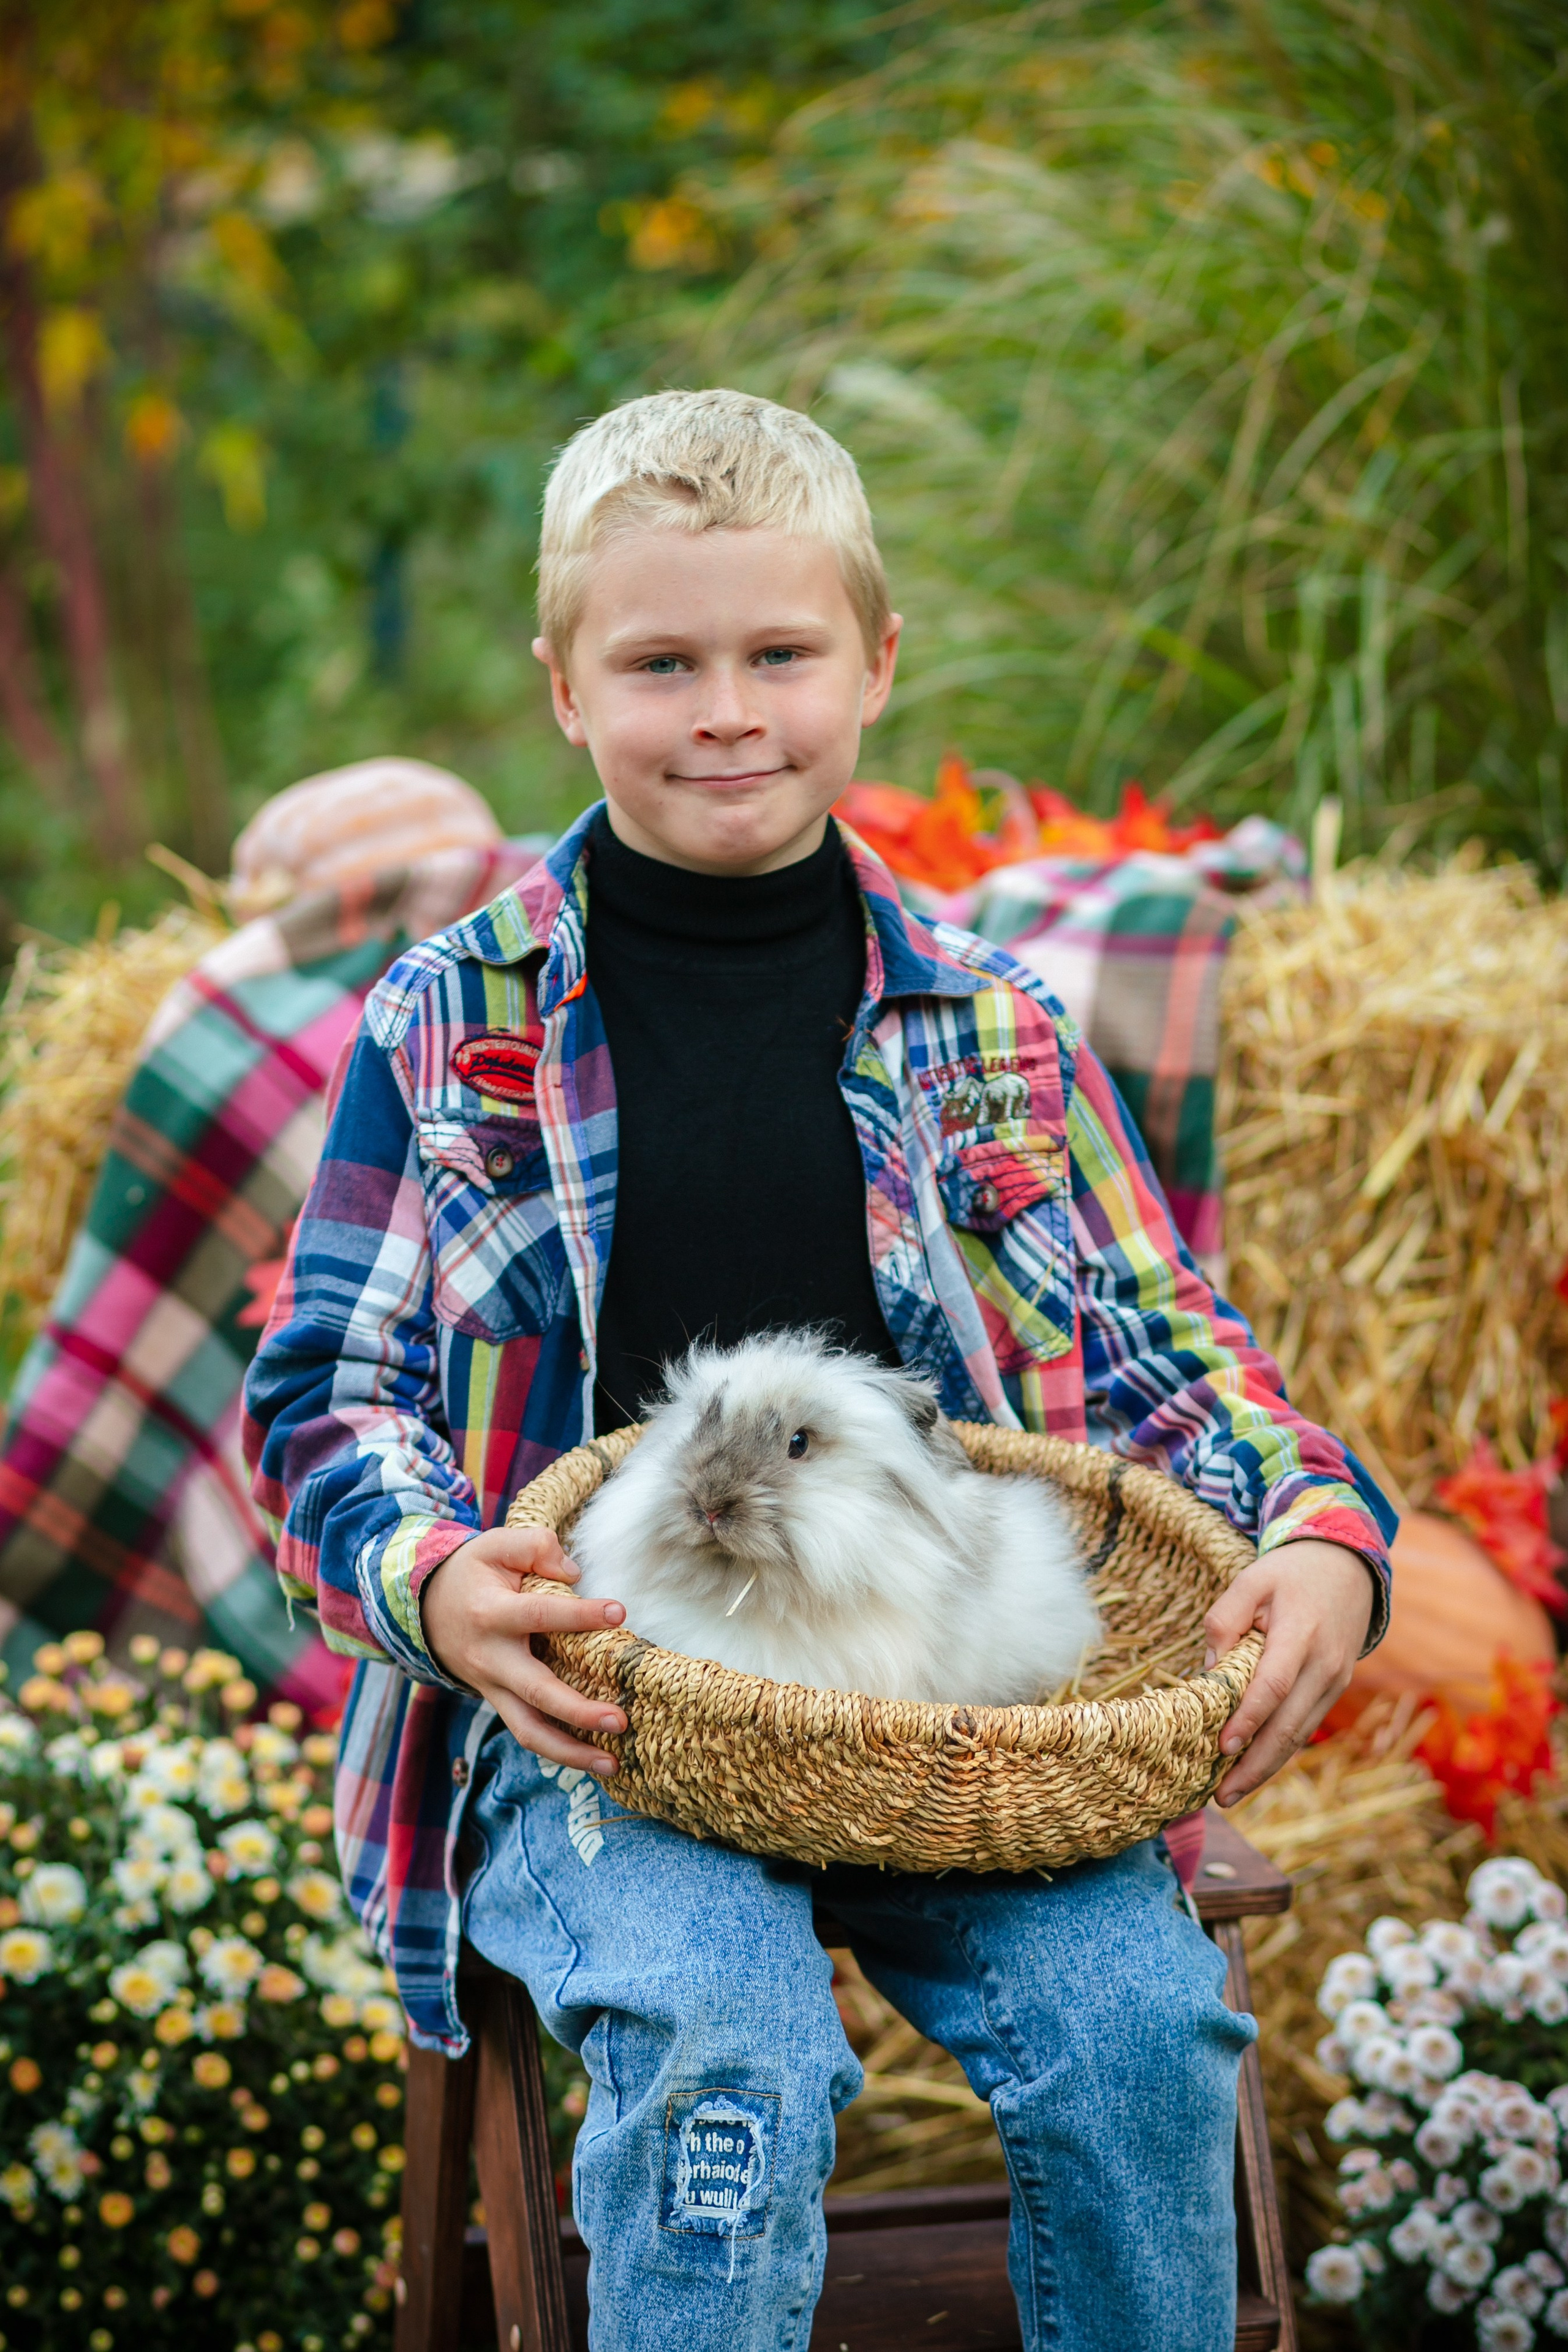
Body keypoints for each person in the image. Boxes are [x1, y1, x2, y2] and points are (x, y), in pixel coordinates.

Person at [243, 389, 1395, 2351]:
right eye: (661, 662)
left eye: (779, 654)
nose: (726, 712)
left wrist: (1324, 1527)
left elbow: (1154, 1336)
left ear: (874, 664)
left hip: (936, 1699)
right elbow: (327, 1388)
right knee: (723, 2054)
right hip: (611, 1718)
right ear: (563, 686)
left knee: (1137, 2035)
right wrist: (433, 1574)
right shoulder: (458, 1018)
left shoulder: (989, 1023)